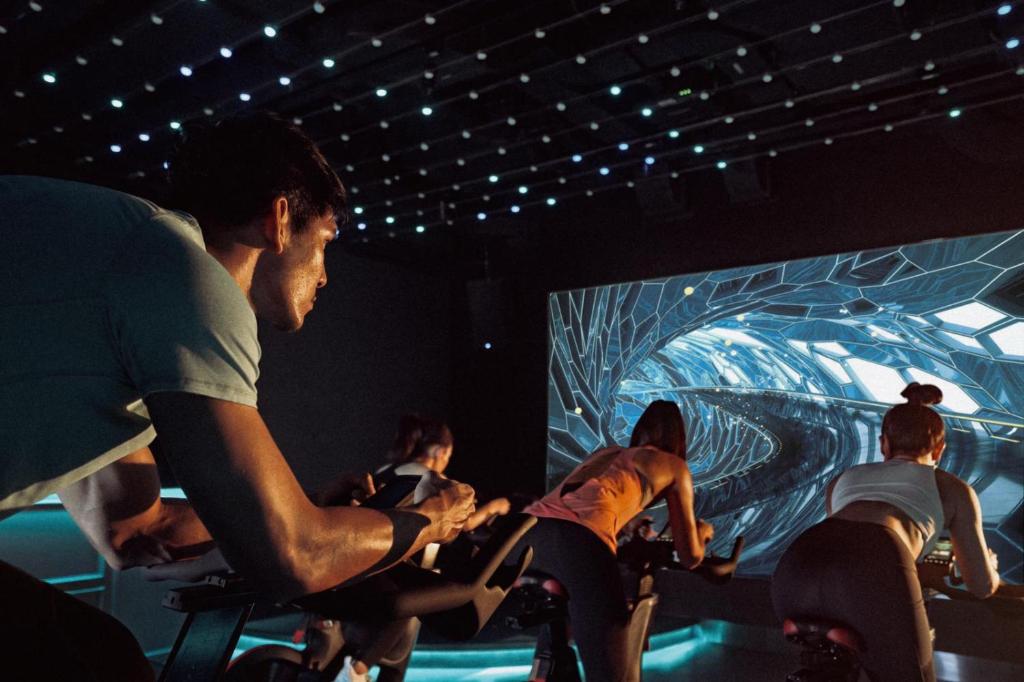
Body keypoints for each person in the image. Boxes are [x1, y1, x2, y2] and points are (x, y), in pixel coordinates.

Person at [0, 114, 474, 679]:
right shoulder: (184, 272)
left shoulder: (116, 280)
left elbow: (134, 530)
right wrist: (430, 521)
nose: (324, 277)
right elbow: (293, 555)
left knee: (98, 657)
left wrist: (308, 509)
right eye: (324, 243)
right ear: (278, 219)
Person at [771, 382, 1002, 682]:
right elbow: (981, 585)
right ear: (939, 449)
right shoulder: (952, 488)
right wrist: (992, 569)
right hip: (874, 564)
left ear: (884, 444)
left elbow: (842, 547)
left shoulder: (844, 478)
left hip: (795, 568)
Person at [517, 400, 714, 682]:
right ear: (677, 438)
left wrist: (625, 526)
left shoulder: (609, 453)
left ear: (640, 430)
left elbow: (582, 499)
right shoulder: (674, 466)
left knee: (559, 627)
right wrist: (703, 533)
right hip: (575, 543)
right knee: (611, 673)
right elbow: (689, 556)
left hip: (525, 534)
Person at [318, 415, 510, 682]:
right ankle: (355, 672)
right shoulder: (432, 479)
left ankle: (350, 669)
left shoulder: (387, 470)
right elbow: (461, 522)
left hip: (361, 573)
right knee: (395, 653)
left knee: (388, 653)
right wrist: (496, 506)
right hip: (399, 577)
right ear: (442, 451)